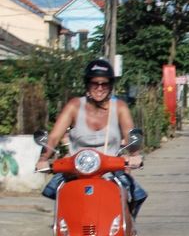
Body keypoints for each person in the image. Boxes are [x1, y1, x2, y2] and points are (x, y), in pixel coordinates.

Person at [35, 58, 148, 217]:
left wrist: (135, 155)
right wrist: (43, 158)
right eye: (95, 83)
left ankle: (126, 235)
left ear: (110, 86)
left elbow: (130, 136)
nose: (99, 88)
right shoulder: (74, 106)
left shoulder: (119, 108)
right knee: (62, 207)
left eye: (104, 83)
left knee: (132, 197)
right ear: (87, 84)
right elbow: (54, 137)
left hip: (110, 172)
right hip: (76, 173)